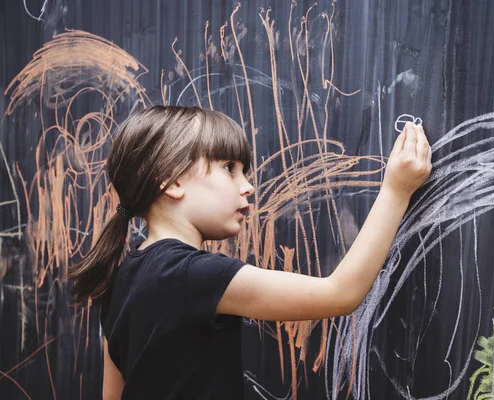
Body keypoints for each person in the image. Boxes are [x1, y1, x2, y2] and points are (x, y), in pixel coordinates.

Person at [67, 105, 431, 399]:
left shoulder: (121, 274)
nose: (248, 186)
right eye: (229, 168)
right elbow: (340, 293)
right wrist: (396, 191)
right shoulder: (194, 275)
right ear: (172, 180)